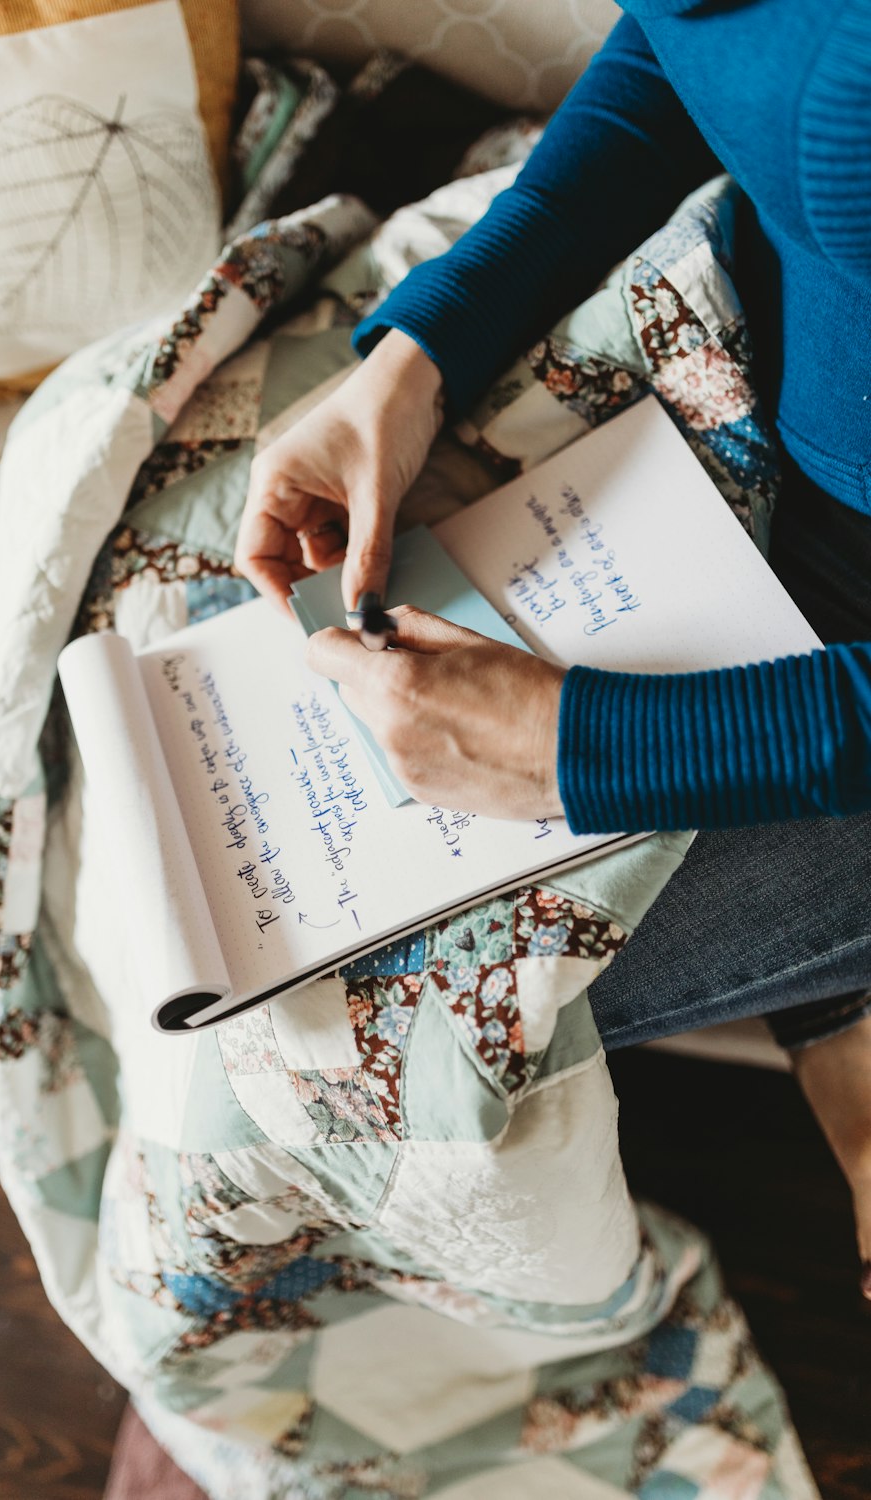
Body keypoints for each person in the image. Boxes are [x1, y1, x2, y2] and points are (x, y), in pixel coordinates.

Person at [234, 0, 871, 1296]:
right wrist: (419, 356)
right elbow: (695, 45)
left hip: (835, 667)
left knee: (330, 1049)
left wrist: (586, 750)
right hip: (724, 378)